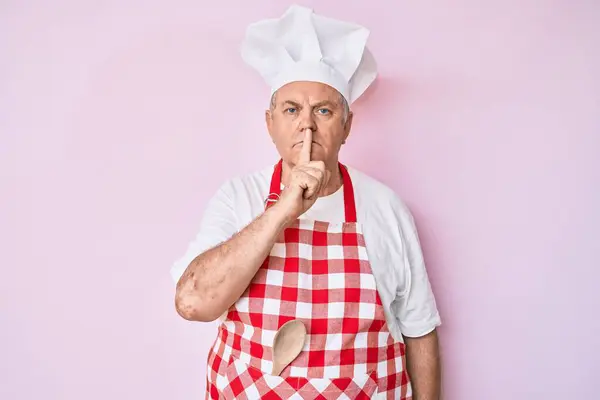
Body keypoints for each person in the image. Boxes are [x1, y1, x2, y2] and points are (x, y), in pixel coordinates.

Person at [171, 5, 442, 399]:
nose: (308, 125)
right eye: (292, 109)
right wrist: (282, 210)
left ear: (347, 125)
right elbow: (193, 303)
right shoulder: (238, 198)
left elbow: (420, 331)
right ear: (270, 123)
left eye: (325, 110)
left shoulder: (385, 207)